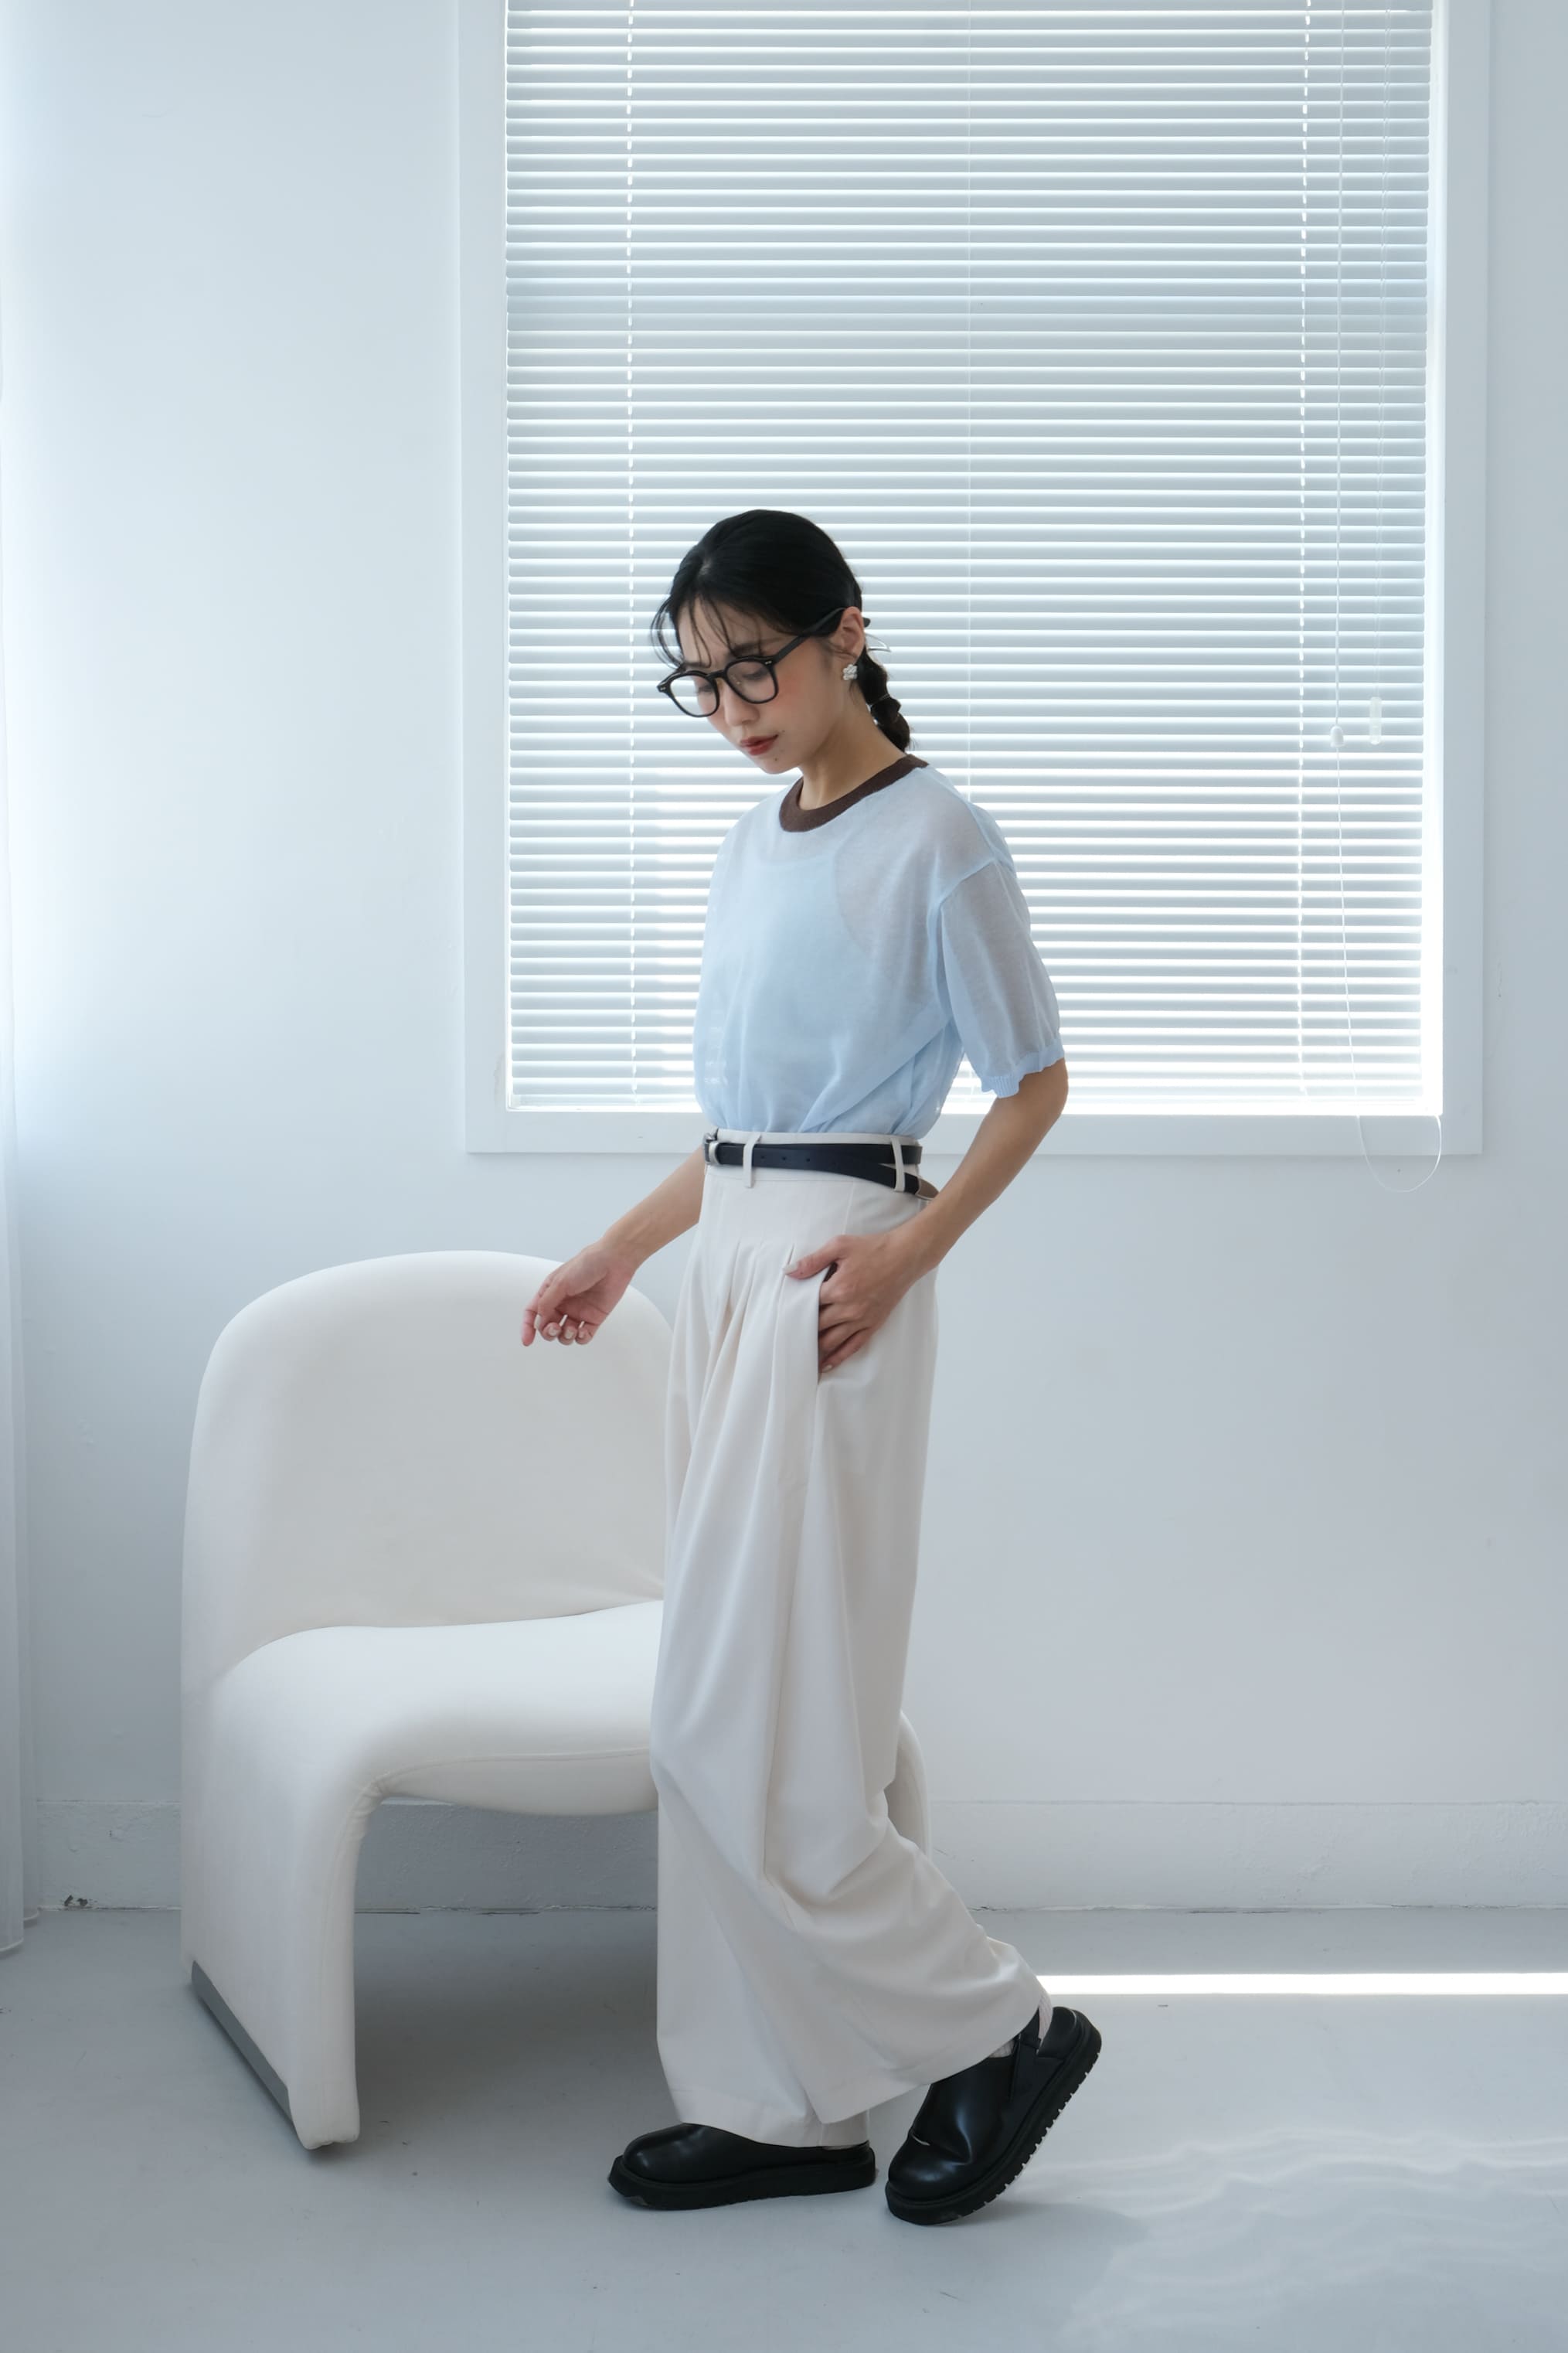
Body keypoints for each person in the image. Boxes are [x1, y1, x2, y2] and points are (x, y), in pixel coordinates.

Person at [521, 509, 1100, 2225]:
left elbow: (1035, 1081)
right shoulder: (749, 843)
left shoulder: (942, 840)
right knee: (728, 1718)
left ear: (846, 630)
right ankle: (776, 2105)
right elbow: (738, 1132)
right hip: (725, 1263)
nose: (731, 708)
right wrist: (622, 1249)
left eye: (752, 666)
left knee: (753, 1722)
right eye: (697, 682)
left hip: (834, 1277)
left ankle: (999, 2025)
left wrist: (910, 1252)